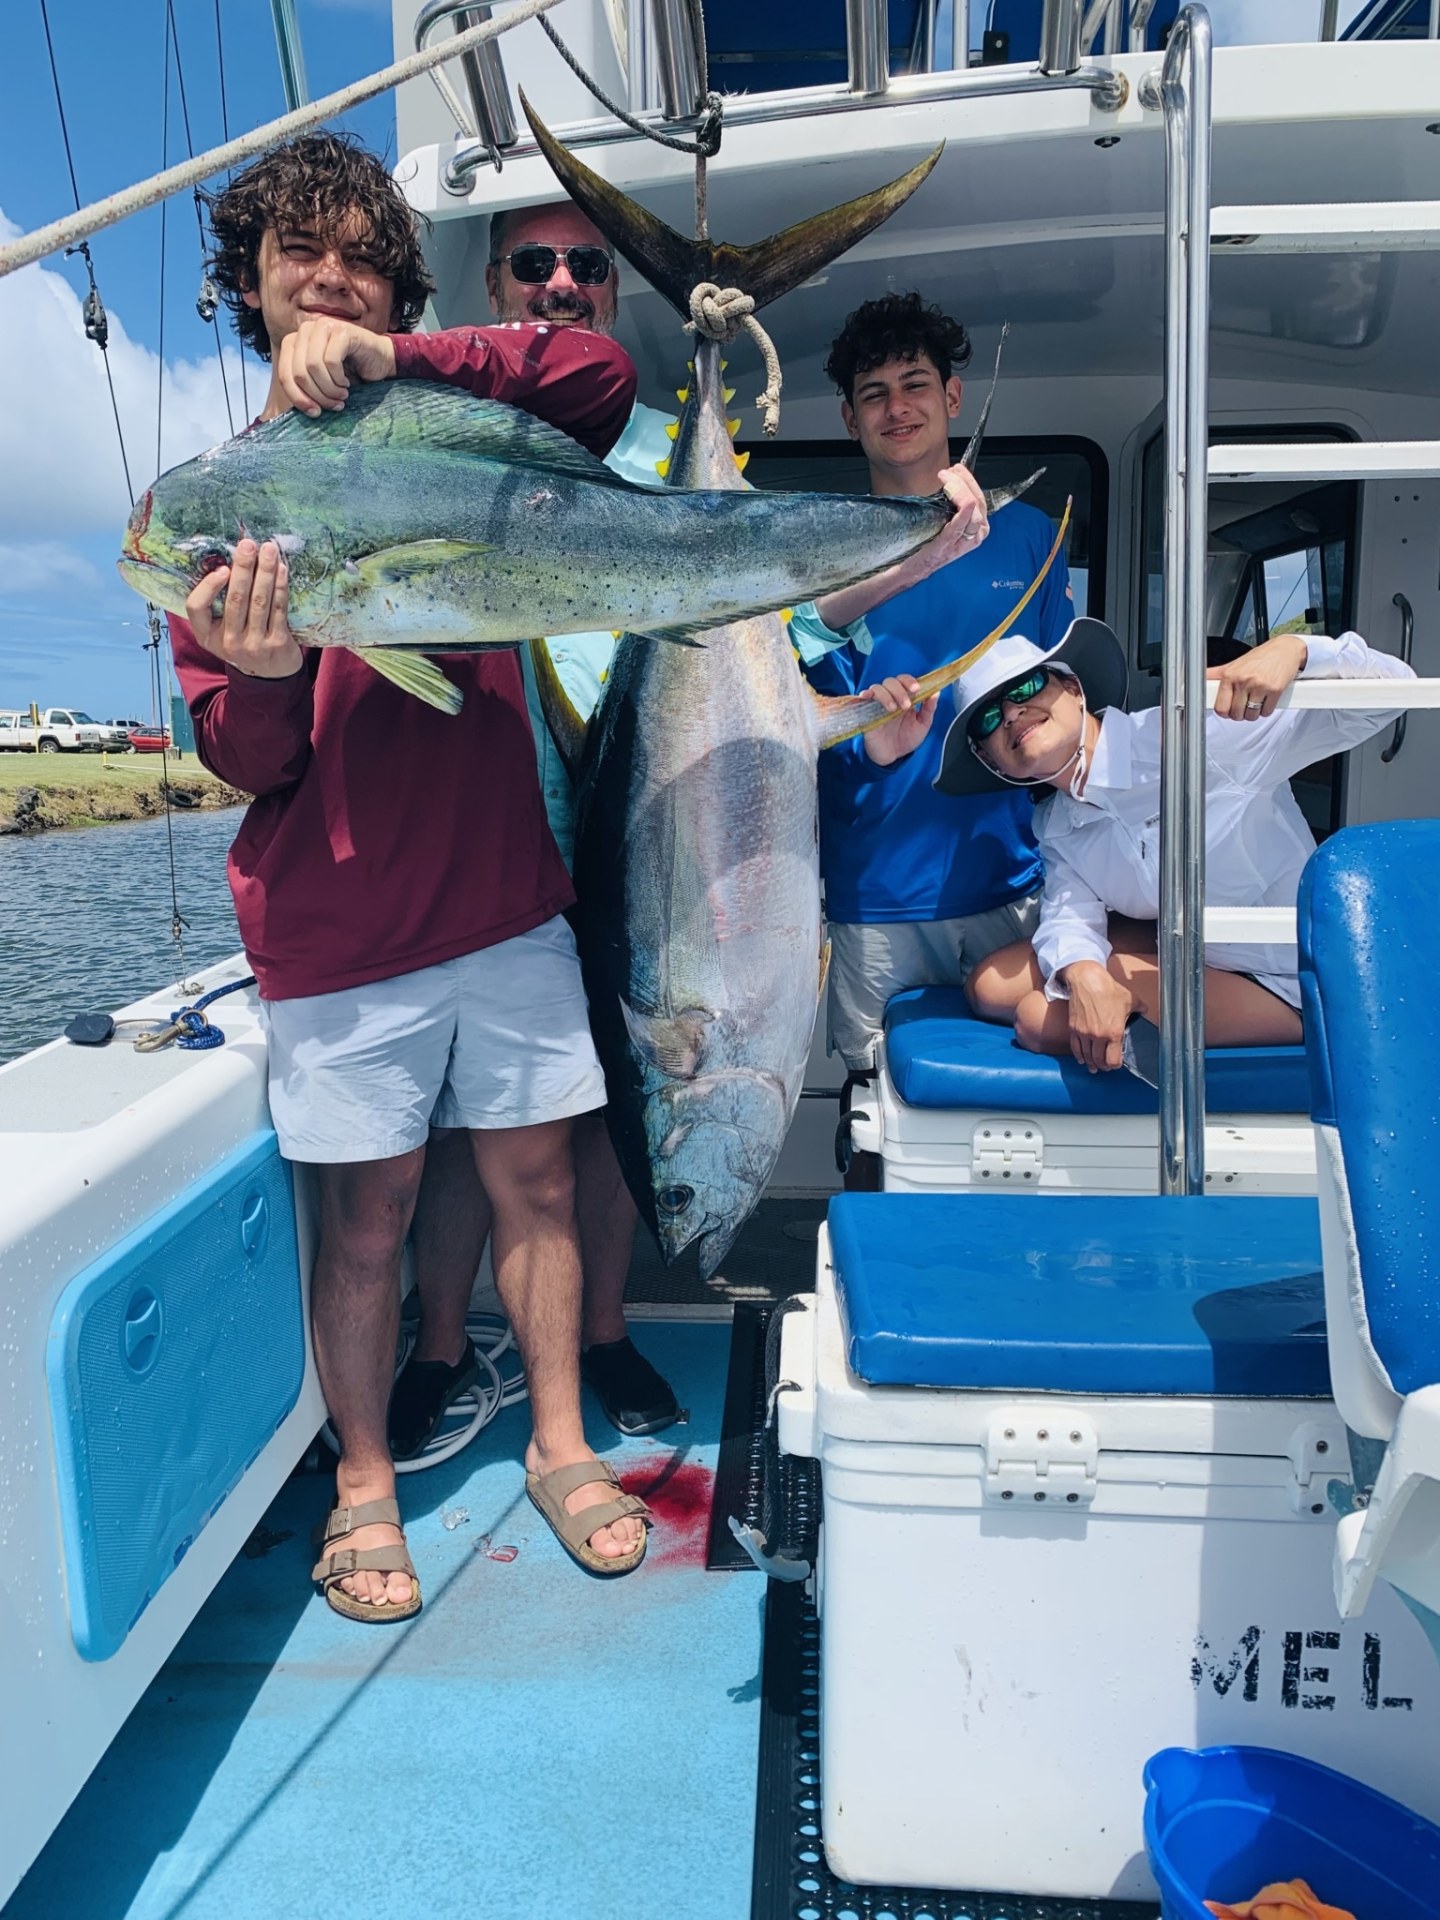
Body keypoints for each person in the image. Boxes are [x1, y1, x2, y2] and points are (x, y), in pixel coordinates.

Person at [170, 134, 652, 1620]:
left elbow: (600, 381)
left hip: (506, 897)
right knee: (368, 1219)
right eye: (297, 255)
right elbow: (242, 759)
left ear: (394, 288)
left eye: (361, 258)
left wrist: (392, 357)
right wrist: (264, 674)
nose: (329, 278)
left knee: (540, 1188)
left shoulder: (454, 413)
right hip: (339, 924)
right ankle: (366, 1480)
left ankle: (562, 1444)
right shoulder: (210, 501)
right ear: (251, 286)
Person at [390, 198, 683, 1458]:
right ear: (492, 288)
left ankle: (602, 1330)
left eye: (589, 264)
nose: (563, 282)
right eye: (534, 262)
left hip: (637, 829)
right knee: (477, 1118)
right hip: (488, 840)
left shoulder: (667, 445)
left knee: (620, 1097)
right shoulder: (444, 434)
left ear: (614, 290)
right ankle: (441, 1343)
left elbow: (755, 604)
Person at [789, 292, 1073, 1187]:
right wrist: (869, 746)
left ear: (953, 397)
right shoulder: (822, 550)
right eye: (873, 393)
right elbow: (784, 708)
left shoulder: (1029, 535)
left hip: (1011, 879)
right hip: (874, 892)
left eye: (914, 384)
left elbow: (1066, 699)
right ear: (849, 417)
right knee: (879, 1115)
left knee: (1024, 1116)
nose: (896, 407)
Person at [879, 617, 1416, 1069]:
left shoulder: (1196, 739)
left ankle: (1295, 1028)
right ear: (993, 761)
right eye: (989, 719)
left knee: (1039, 1021)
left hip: (1284, 971)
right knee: (989, 987)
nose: (1013, 713)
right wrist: (1084, 972)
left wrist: (1296, 651)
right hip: (1189, 944)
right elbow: (1069, 913)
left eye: (1024, 688)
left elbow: (1393, 692)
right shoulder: (1057, 824)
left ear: (1073, 688)